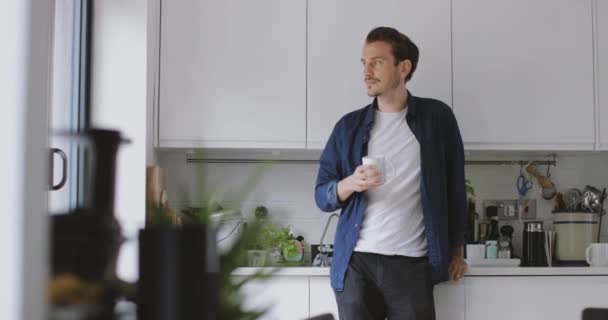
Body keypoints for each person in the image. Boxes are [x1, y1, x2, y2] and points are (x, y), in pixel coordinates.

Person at [314, 26, 467, 320]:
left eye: (377, 62)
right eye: (364, 63)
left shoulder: (437, 119)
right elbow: (323, 196)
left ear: (403, 67)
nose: (367, 72)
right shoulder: (348, 127)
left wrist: (457, 252)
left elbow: (454, 189)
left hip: (412, 265)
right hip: (356, 265)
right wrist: (350, 183)